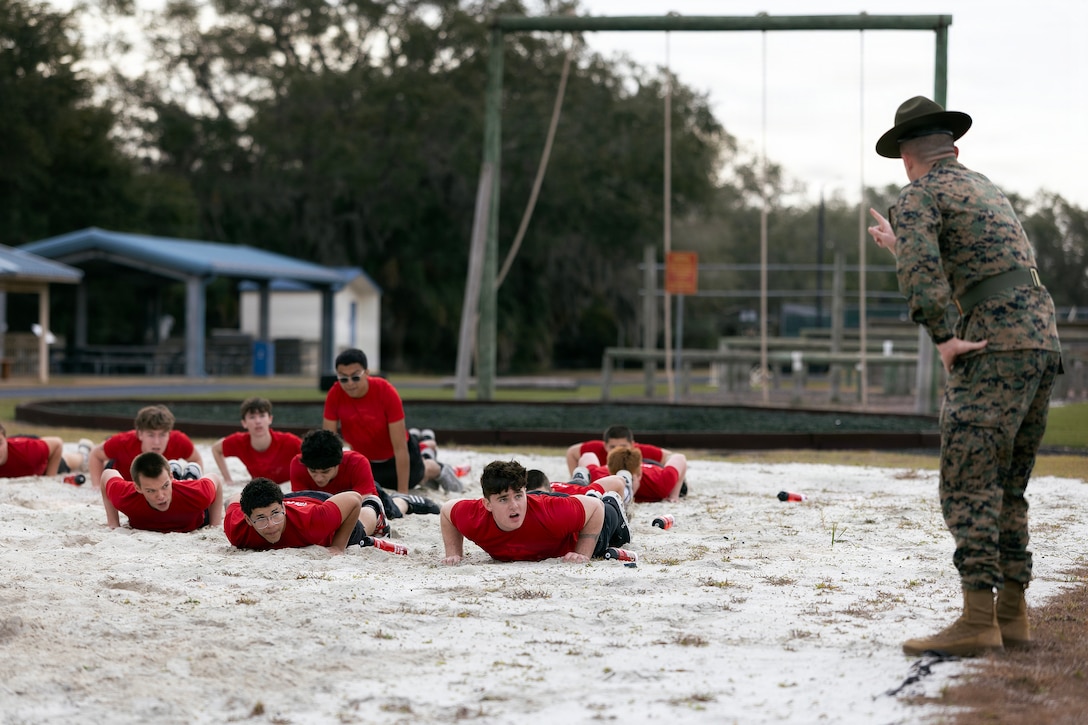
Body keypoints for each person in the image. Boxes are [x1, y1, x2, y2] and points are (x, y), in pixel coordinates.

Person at [867, 96, 1062, 657]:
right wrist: (901, 246)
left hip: (992, 344)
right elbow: (979, 261)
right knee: (1008, 485)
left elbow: (924, 275)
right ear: (953, 147)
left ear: (907, 155)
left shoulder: (918, 194)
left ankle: (978, 619)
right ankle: (1011, 614)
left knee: (969, 480)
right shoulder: (985, 189)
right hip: (1040, 339)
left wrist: (945, 337)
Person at [321, 348, 464, 493]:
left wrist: (403, 494)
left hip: (398, 455)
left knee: (417, 477)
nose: (350, 383)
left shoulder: (385, 392)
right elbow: (329, 444)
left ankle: (436, 466)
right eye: (343, 378)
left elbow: (400, 448)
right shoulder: (335, 394)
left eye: (355, 377)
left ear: (367, 373)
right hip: (368, 461)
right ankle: (426, 443)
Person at [439, 459, 630, 565]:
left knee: (604, 507)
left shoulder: (550, 512)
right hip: (557, 503)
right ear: (487, 504)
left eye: (518, 496)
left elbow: (595, 508)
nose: (514, 506)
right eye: (503, 499)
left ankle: (612, 496)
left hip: (596, 523)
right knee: (574, 493)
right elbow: (447, 511)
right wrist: (454, 554)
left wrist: (583, 554)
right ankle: (579, 481)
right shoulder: (474, 516)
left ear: (525, 492)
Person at [290, 429, 440, 521]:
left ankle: (405, 501)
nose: (318, 478)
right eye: (313, 471)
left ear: (339, 463)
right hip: (329, 504)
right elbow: (302, 505)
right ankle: (426, 445)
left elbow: (366, 506)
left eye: (325, 472)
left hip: (366, 497)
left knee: (394, 512)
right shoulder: (298, 464)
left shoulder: (357, 462)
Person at [223, 477, 386, 555]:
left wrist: (338, 547)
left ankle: (373, 506)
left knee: (361, 530)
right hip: (292, 500)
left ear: (283, 509)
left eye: (275, 515)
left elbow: (354, 498)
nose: (271, 525)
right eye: (261, 519)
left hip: (317, 505)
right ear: (248, 520)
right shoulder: (236, 529)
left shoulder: (313, 522)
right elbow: (233, 499)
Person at [88, 405, 205, 490]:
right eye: (151, 435)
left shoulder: (179, 440)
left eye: (162, 435)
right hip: (119, 471)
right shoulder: (123, 441)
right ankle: (85, 448)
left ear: (169, 434)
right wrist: (96, 486)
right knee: (96, 456)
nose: (157, 442)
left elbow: (196, 460)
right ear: (139, 434)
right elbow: (95, 455)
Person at [100, 451, 223, 532]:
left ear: (170, 478)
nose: (161, 496)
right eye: (151, 490)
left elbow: (215, 479)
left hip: (195, 514)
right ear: (138, 488)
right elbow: (107, 474)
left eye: (165, 486)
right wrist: (113, 524)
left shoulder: (198, 494)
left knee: (190, 482)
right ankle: (177, 471)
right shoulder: (125, 496)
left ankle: (190, 474)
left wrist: (215, 525)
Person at [211, 397, 301, 485]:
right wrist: (228, 479)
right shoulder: (240, 442)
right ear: (244, 423)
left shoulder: (289, 441)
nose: (258, 421)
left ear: (270, 419)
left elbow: (310, 452)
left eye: (262, 416)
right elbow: (215, 449)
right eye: (252, 417)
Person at [581, 446, 688, 504]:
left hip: (652, 466)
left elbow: (680, 458)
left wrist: (674, 495)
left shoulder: (660, 482)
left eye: (628, 480)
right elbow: (588, 455)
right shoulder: (600, 477)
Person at [564, 424, 671, 474]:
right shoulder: (595, 449)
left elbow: (670, 456)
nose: (617, 450)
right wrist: (575, 476)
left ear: (632, 445)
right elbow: (571, 452)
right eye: (612, 447)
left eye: (623, 446)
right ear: (605, 445)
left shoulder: (639, 451)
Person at [0, 423, 92, 478]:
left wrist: (50, 477)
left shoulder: (28, 450)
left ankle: (83, 451)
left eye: (0, 443)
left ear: (5, 440)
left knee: (65, 463)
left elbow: (57, 443)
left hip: (39, 459)